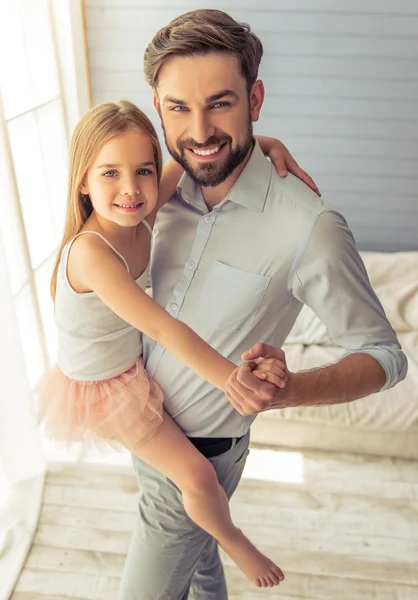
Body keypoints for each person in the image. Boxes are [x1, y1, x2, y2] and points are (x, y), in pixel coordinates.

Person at [117, 8, 408, 600]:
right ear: (157, 105)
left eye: (221, 103)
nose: (199, 130)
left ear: (256, 98)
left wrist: (290, 387)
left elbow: (385, 355)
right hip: (140, 427)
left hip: (202, 457)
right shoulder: (152, 189)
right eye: (179, 108)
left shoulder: (310, 226)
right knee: (200, 571)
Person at [34, 99, 317, 589]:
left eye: (143, 171)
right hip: (107, 386)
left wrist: (268, 145)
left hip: (130, 362)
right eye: (109, 175)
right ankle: (236, 543)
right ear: (83, 181)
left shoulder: (139, 209)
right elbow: (163, 327)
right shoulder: (91, 252)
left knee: (186, 485)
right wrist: (229, 377)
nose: (130, 189)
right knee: (197, 476)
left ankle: (207, 553)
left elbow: (199, 160)